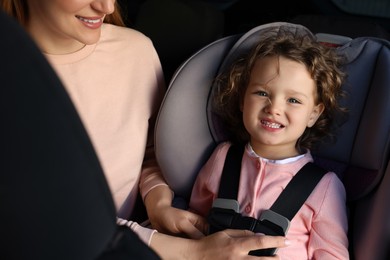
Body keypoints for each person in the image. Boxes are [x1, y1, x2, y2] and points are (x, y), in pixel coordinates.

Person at [0, 1, 290, 259]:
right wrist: (194, 253)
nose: (107, 8)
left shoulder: (135, 51)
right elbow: (58, 226)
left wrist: (158, 203)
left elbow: (151, 152)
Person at [156, 26, 350, 258]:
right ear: (242, 100)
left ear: (314, 114)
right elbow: (196, 219)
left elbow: (333, 255)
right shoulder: (222, 158)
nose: (274, 108)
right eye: (262, 93)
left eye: (293, 100)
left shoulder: (325, 187)